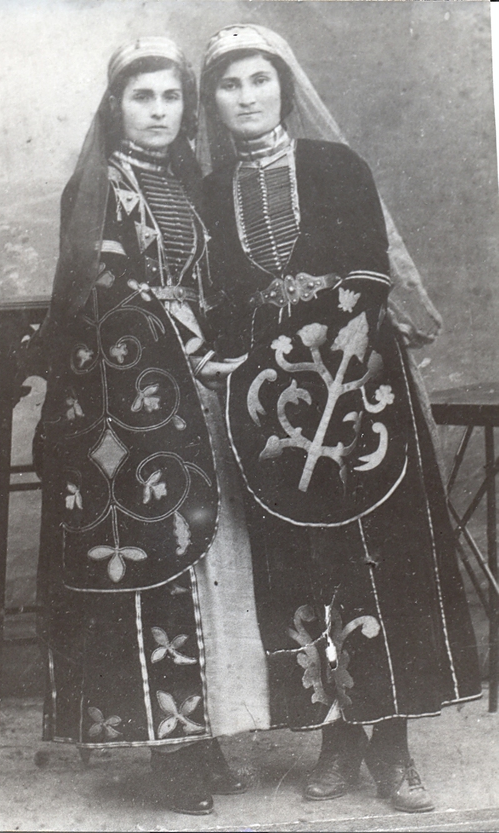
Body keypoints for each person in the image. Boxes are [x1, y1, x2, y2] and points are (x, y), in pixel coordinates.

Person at [198, 24, 482, 814]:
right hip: (272, 409)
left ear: (284, 87)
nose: (247, 97)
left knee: (379, 560)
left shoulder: (336, 166)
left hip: (361, 392)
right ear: (212, 101)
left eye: (260, 80)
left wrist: (343, 338)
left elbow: (370, 273)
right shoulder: (211, 192)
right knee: (301, 563)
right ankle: (335, 742)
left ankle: (393, 750)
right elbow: (221, 301)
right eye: (230, 84)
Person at [36, 37, 270, 817]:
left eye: (172, 97)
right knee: (164, 558)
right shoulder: (97, 186)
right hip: (132, 406)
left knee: (209, 559)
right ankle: (171, 752)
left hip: (194, 395)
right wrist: (191, 348)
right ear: (116, 107)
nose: (160, 112)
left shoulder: (187, 183)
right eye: (144, 97)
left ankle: (206, 737)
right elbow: (104, 293)